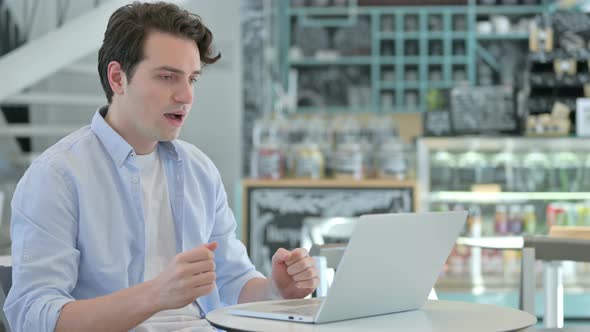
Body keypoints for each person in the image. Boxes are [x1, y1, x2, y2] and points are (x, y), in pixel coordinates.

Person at [4, 2, 318, 331]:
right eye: (168, 77)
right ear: (117, 78)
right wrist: (156, 294)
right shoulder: (57, 177)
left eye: (192, 79)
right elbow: (32, 317)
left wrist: (276, 290)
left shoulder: (199, 170)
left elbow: (232, 280)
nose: (186, 96)